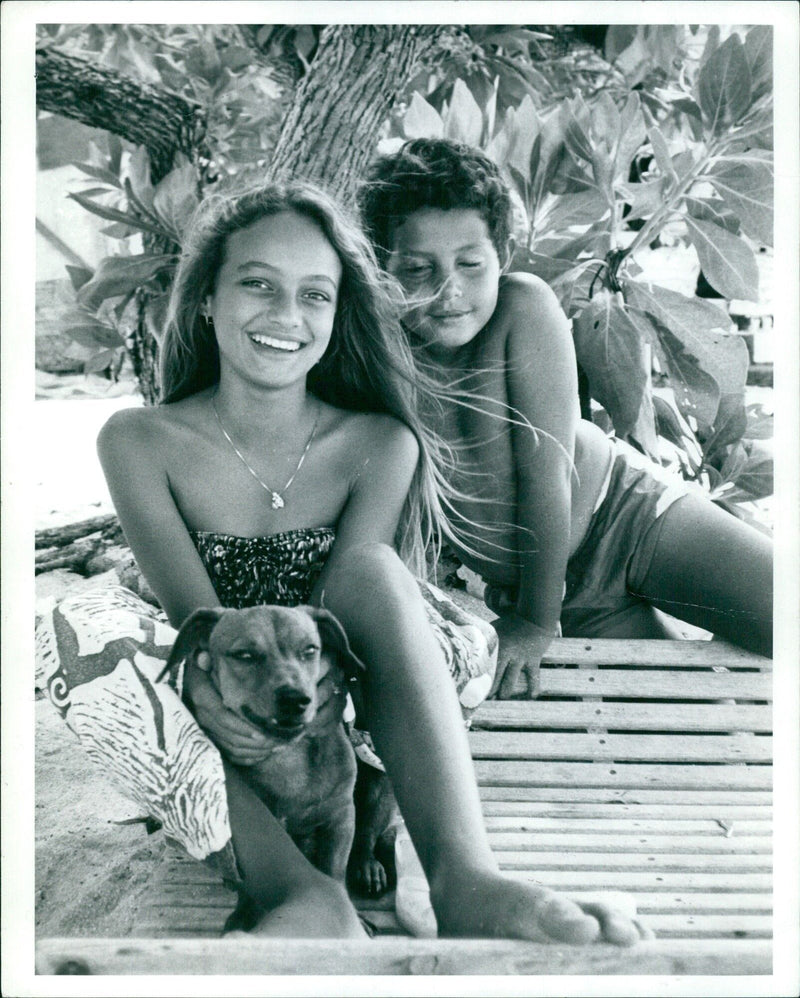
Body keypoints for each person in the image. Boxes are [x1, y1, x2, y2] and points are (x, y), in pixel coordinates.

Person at [35, 177, 645, 945]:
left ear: (337, 314)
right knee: (81, 627)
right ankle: (303, 893)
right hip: (208, 691)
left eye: (315, 295)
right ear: (205, 301)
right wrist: (241, 682)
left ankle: (463, 877)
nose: (287, 315)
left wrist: (311, 684)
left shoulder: (379, 442)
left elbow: (355, 612)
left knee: (372, 572)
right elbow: (199, 630)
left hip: (355, 689)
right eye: (257, 284)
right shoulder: (137, 439)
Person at [358, 138, 773, 699]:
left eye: (469, 264)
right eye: (416, 268)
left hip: (628, 519)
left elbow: (546, 473)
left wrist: (534, 620)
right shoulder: (379, 353)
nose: (448, 290)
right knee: (685, 717)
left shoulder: (520, 310)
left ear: (501, 255)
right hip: (549, 585)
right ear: (382, 265)